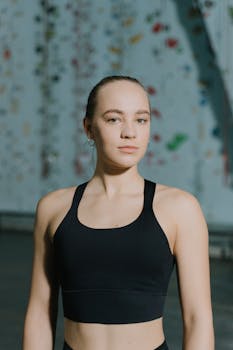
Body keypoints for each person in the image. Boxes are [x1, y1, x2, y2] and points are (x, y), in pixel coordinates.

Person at [22, 75, 215, 350]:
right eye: (114, 119)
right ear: (89, 128)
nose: (130, 133)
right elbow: (40, 313)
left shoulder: (179, 208)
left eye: (141, 119)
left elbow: (198, 318)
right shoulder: (53, 208)